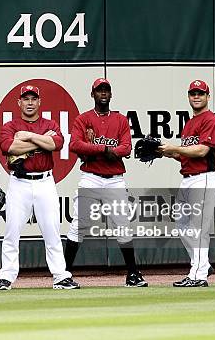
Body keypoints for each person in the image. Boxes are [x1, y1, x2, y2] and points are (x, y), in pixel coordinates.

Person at [64, 78, 148, 287]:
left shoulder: (120, 120)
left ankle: (133, 274)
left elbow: (126, 148)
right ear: (92, 94)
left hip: (115, 180)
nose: (103, 93)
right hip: (90, 177)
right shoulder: (83, 120)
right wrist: (104, 150)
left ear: (111, 94)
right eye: (99, 90)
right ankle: (63, 275)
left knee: (123, 226)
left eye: (106, 90)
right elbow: (75, 145)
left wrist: (96, 149)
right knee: (79, 224)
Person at [0, 85, 79, 290]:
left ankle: (60, 275)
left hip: (44, 182)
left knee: (52, 231)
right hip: (19, 182)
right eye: (26, 99)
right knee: (12, 231)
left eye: (33, 98)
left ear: (39, 102)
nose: (30, 102)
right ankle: (6, 275)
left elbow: (56, 144)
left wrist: (28, 136)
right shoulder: (11, 126)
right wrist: (42, 140)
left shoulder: (49, 123)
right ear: (19, 102)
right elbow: (9, 147)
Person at [158, 79, 215, 287]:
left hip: (204, 178)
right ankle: (202, 264)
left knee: (199, 228)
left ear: (207, 97)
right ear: (188, 96)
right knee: (182, 223)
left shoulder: (211, 120)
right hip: (188, 178)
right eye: (193, 93)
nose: (196, 96)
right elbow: (187, 155)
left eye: (200, 93)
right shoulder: (189, 123)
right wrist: (168, 153)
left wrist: (175, 147)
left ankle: (198, 275)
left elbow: (202, 150)